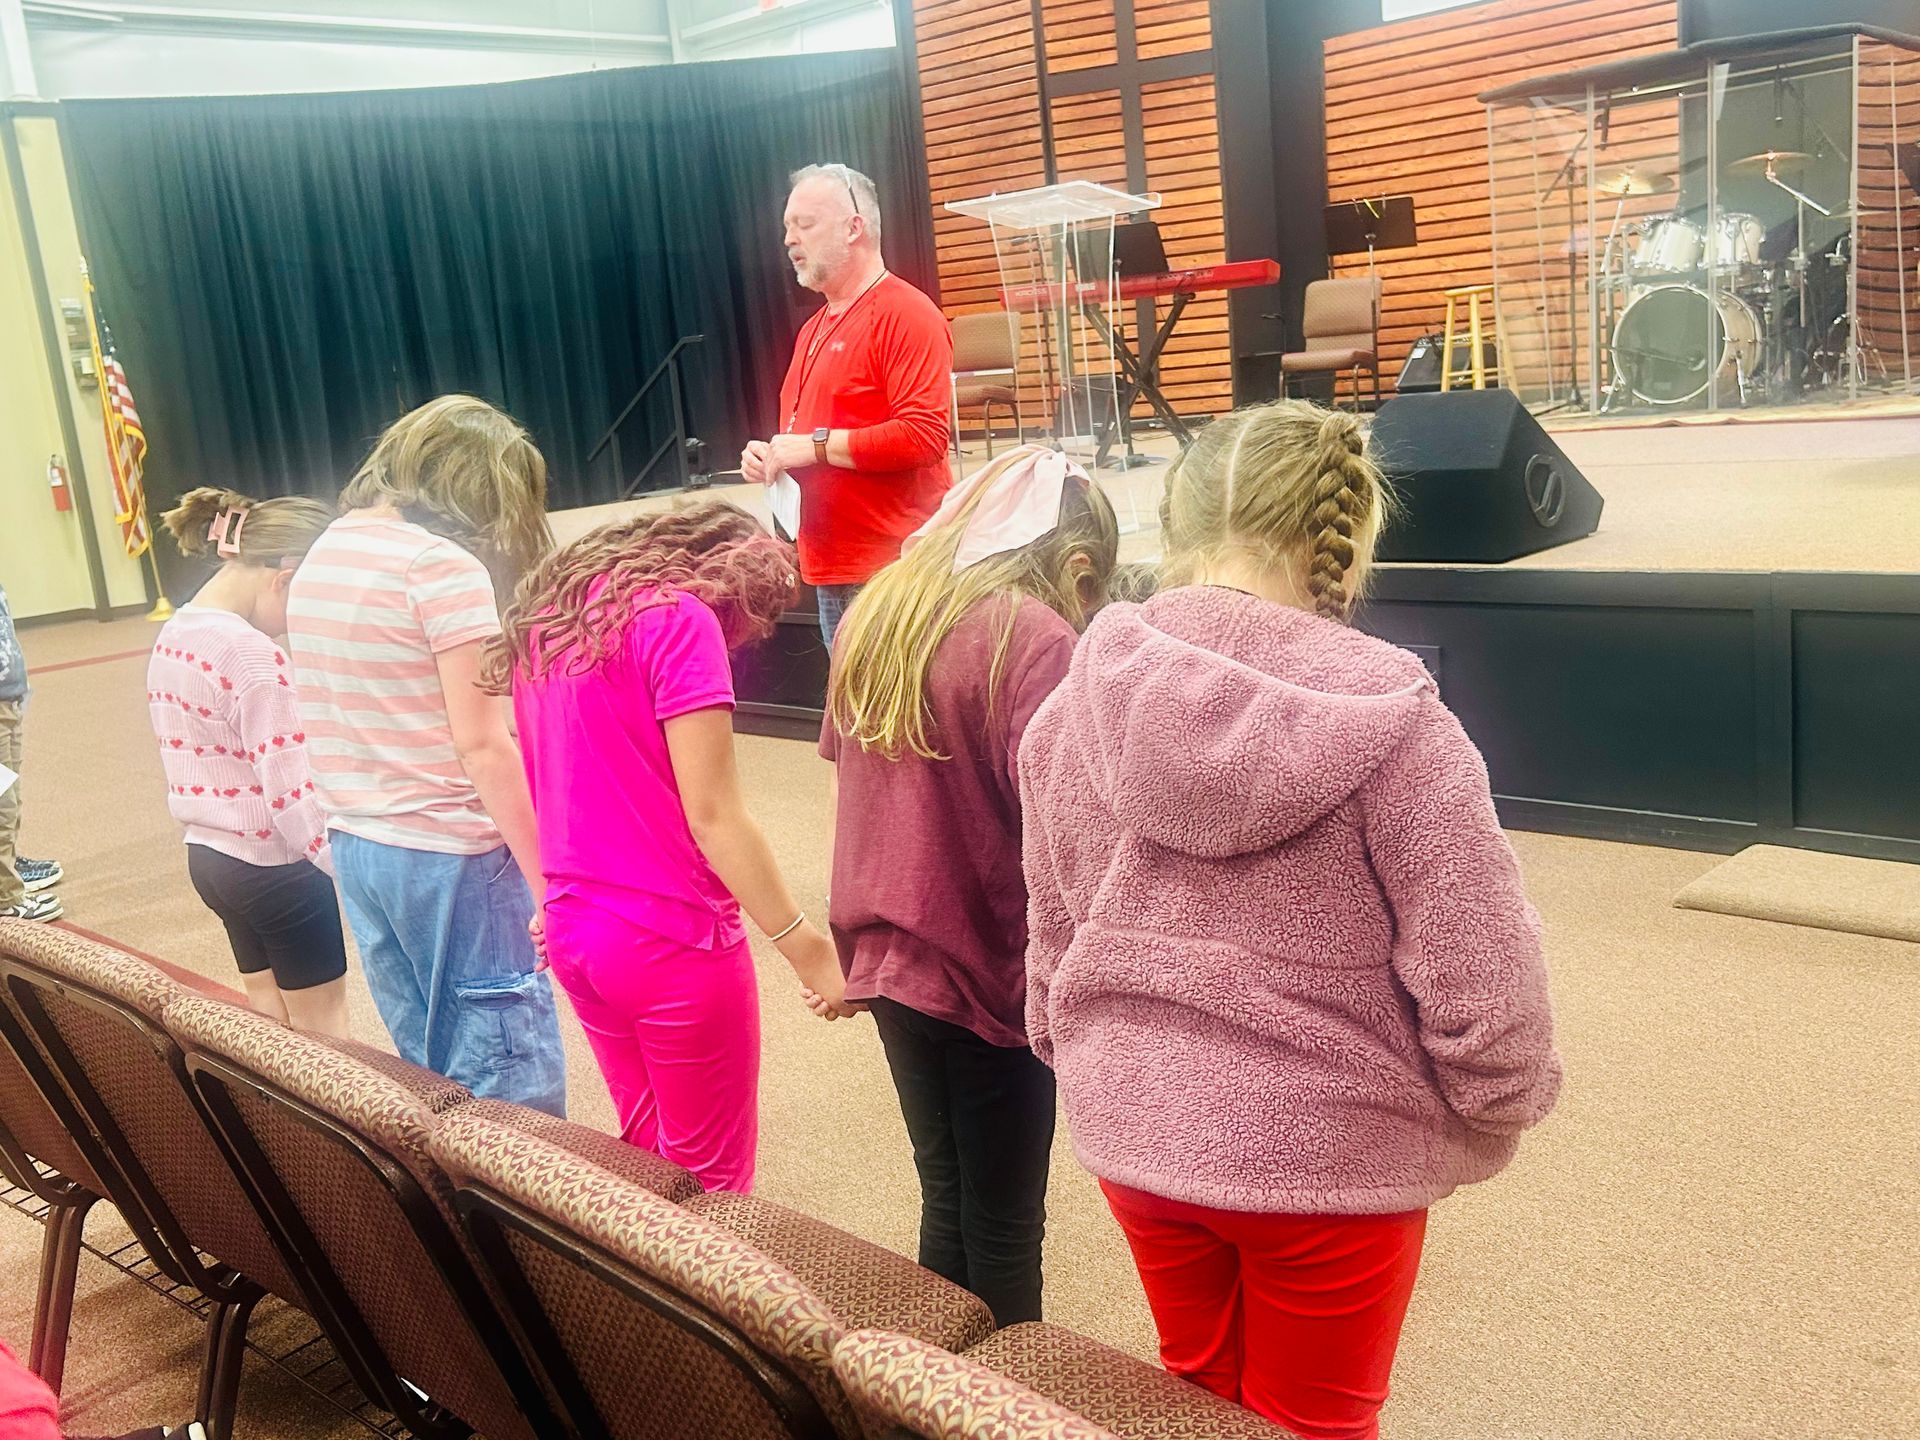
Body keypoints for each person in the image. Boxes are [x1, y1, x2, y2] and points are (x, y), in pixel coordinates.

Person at [1018, 400, 1562, 1440]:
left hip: (1134, 1131)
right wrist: (1497, 1104)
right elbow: (1483, 974)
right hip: (1333, 1159)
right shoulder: (1402, 726)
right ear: (1345, 538)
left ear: (1171, 528)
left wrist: (1095, 1059)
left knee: (1196, 1404)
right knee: (1314, 1427)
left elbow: (1052, 936)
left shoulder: (1062, 715)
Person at [822, 445, 1117, 1325]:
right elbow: (1072, 830)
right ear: (1074, 566)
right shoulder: (1035, 638)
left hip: (886, 964)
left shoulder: (879, 613)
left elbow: (849, 779)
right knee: (1004, 1226)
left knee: (945, 1193)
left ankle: (927, 1398)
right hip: (995, 975)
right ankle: (992, 1411)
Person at [486, 501, 850, 1192]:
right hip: (669, 940)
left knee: (646, 1160)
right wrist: (811, 953)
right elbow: (715, 816)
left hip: (574, 931)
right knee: (710, 1188)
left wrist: (555, 898)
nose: (740, 639)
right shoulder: (678, 619)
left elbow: (549, 782)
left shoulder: (554, 617)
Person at [285, 395, 566, 1115]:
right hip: (452, 853)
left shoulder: (326, 548)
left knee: (430, 1071)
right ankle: (519, 1229)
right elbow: (482, 744)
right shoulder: (440, 567)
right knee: (508, 1081)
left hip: (359, 843)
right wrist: (551, 883)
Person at [150, 488, 350, 1038]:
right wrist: (352, 873)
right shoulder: (254, 655)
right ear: (284, 578)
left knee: (267, 1026)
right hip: (275, 865)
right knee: (325, 1038)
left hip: (211, 859)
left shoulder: (179, 629)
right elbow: (292, 797)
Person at [739, 162, 954, 648]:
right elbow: (807, 435)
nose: (790, 240)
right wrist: (770, 457)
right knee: (858, 721)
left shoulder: (907, 313)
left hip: (892, 571)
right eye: (787, 228)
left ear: (854, 227)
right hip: (832, 567)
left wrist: (813, 447)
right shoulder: (813, 329)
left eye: (805, 225)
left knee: (897, 721)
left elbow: (923, 436)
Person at [0, 583, 63, 922]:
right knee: (1, 805)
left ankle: (8, 865)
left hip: (7, 699)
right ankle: (5, 900)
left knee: (9, 797)